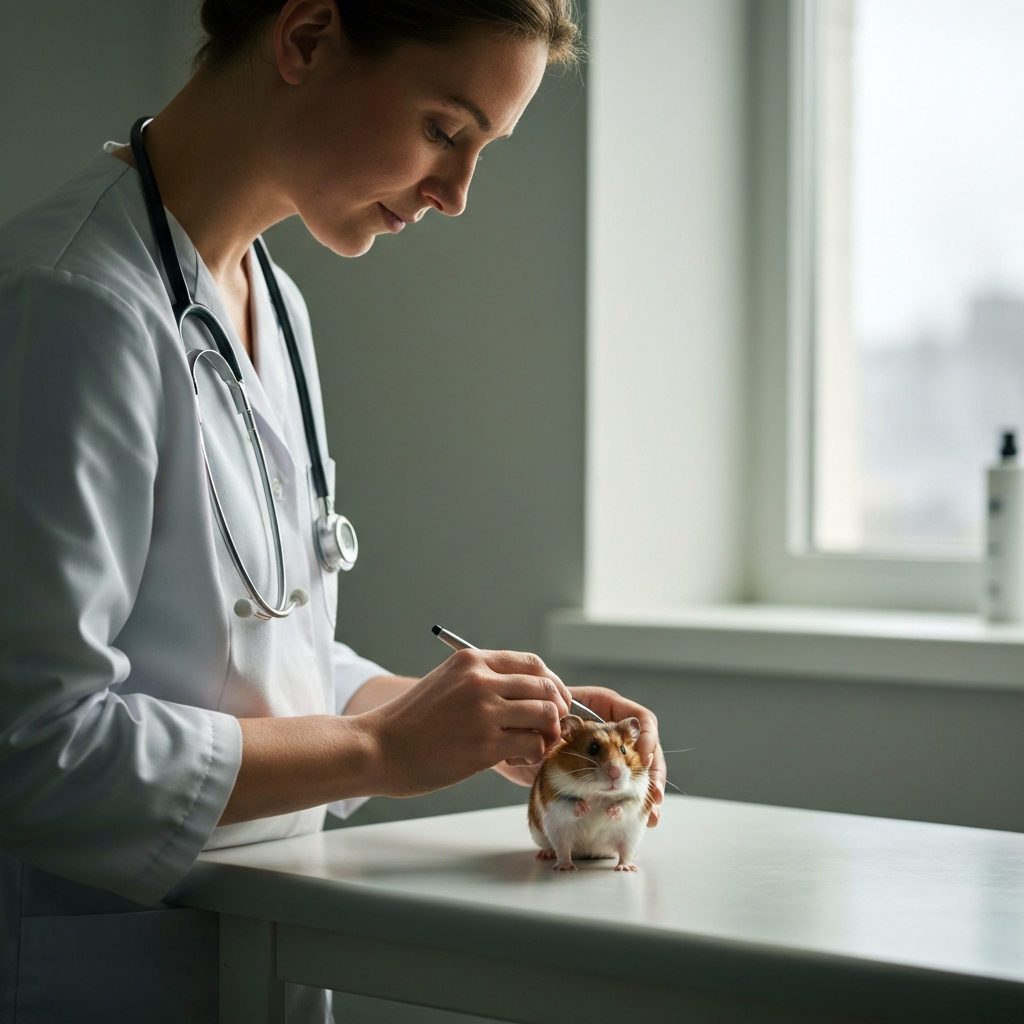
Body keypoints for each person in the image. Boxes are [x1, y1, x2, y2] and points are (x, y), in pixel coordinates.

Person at [0, 2, 666, 1021]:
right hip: (94, 976)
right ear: (306, 37)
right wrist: (382, 753)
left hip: (254, 954)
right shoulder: (68, 303)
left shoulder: (272, 301)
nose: (455, 194)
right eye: (445, 131)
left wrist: (466, 719)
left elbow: (256, 659)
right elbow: (33, 750)